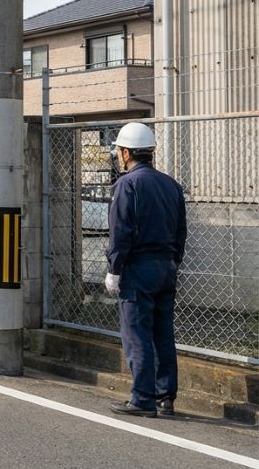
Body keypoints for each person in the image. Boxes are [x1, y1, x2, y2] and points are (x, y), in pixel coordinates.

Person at [104, 122, 186, 418]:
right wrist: (173, 262)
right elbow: (180, 231)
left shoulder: (127, 185)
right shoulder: (171, 185)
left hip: (138, 268)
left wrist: (114, 269)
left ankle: (142, 399)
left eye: (119, 151)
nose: (118, 156)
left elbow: (120, 231)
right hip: (167, 267)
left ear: (126, 152)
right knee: (163, 333)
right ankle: (166, 397)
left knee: (137, 334)